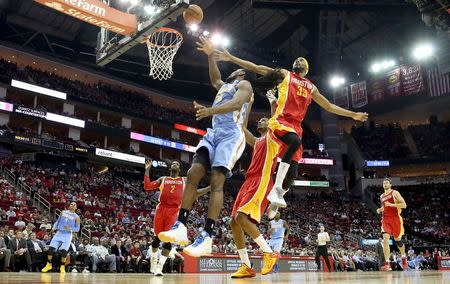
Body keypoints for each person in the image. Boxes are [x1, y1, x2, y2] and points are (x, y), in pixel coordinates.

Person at [215, 49, 369, 211]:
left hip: (296, 127)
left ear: (306, 69)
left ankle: (276, 198)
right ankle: (275, 191)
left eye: (303, 59)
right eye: (297, 59)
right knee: (294, 141)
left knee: (293, 173)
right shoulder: (285, 74)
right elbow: (257, 68)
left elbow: (328, 106)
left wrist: (353, 114)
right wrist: (231, 57)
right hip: (280, 121)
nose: (299, 60)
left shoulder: (311, 87)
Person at [158, 36, 253, 257]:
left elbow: (238, 104)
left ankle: (207, 235)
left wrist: (209, 111)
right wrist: (211, 56)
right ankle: (181, 226)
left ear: (241, 74)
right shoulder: (225, 86)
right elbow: (215, 79)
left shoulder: (245, 85)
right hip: (214, 133)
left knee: (216, 181)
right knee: (193, 172)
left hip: (231, 134)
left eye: (237, 71)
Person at [229, 95, 280, 278]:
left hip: (262, 180)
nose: (261, 120)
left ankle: (269, 252)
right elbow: (242, 126)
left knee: (242, 217)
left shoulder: (273, 138)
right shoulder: (257, 141)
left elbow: (275, 119)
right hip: (249, 181)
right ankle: (246, 265)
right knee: (233, 221)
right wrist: (249, 104)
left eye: (264, 119)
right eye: (260, 120)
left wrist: (271, 102)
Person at [143, 159, 210, 276]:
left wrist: (210, 188)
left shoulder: (184, 180)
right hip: (161, 210)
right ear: (170, 168)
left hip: (174, 212)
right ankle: (153, 260)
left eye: (177, 164)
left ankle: (159, 267)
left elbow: (195, 193)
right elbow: (147, 186)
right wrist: (147, 170)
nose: (174, 164)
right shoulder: (163, 179)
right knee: (157, 239)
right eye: (173, 163)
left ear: (179, 169)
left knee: (168, 241)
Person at [377, 178, 407, 271]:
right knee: (385, 239)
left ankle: (403, 256)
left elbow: (404, 205)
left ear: (390, 185)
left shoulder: (395, 193)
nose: (385, 184)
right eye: (384, 183)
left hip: (395, 218)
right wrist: (380, 209)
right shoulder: (381, 196)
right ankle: (387, 263)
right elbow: (385, 206)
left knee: (397, 240)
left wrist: (392, 205)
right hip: (386, 219)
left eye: (387, 183)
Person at [41, 202, 80, 274]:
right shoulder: (63, 212)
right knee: (51, 249)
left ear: (76, 208)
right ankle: (48, 264)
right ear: (69, 206)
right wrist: (53, 227)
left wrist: (70, 228)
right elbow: (57, 221)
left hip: (67, 235)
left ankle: (62, 266)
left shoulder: (77, 217)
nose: (73, 205)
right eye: (71, 204)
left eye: (74, 205)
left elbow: (77, 229)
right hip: (59, 233)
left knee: (64, 251)